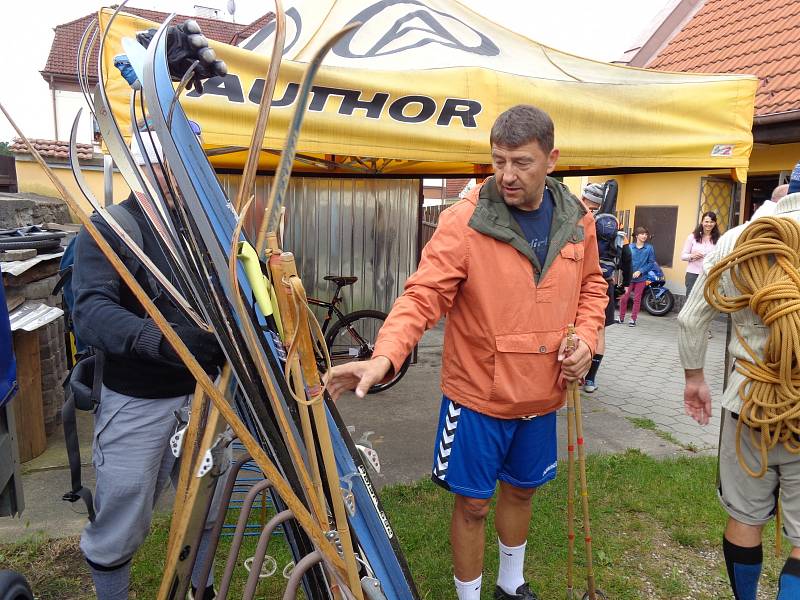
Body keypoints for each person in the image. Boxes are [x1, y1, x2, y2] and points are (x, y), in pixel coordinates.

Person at [325, 104, 608, 600]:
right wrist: (384, 355)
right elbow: (422, 295)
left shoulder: (577, 218)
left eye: (521, 162)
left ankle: (510, 583)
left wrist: (586, 339)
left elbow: (592, 287)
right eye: (498, 161)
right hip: (477, 396)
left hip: (544, 394)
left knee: (522, 489)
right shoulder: (465, 220)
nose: (507, 175)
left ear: (552, 159)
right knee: (473, 504)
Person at [72, 130, 226, 600]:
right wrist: (166, 341)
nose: (185, 178)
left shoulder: (204, 228)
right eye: (175, 167)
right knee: (123, 513)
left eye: (191, 166)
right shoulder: (113, 227)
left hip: (206, 395)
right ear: (146, 169)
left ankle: (198, 589)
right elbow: (90, 313)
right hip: (136, 401)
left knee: (206, 503)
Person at [678, 182, 798, 600]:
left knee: (745, 518)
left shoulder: (737, 237)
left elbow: (691, 320)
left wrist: (695, 380)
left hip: (747, 402)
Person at [580, 183, 631, 393]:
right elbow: (627, 258)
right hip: (605, 283)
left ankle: (567, 376)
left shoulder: (579, 219)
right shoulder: (616, 228)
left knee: (572, 328)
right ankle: (590, 379)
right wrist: (625, 284)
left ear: (585, 198)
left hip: (579, 282)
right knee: (598, 332)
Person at [617, 226, 656, 327]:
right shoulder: (629, 247)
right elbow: (624, 261)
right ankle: (621, 318)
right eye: (642, 234)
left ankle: (633, 319)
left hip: (641, 278)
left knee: (637, 299)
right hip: (629, 278)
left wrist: (641, 271)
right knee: (624, 297)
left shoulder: (649, 248)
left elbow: (651, 263)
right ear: (637, 235)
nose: (644, 236)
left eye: (646, 234)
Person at [680, 211, 719, 299]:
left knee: (707, 301)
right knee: (691, 300)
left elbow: (721, 257)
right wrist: (692, 256)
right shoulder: (692, 237)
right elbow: (683, 256)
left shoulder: (719, 239)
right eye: (706, 221)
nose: (709, 224)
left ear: (715, 223)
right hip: (693, 274)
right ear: (702, 222)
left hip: (710, 274)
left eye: (712, 222)